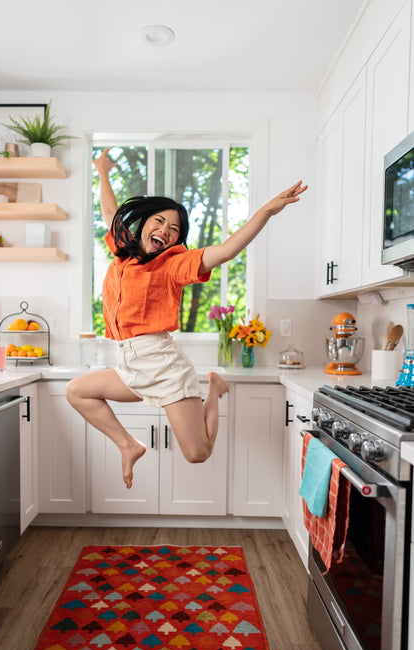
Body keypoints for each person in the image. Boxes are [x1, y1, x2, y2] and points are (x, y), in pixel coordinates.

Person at [66, 148, 307, 489]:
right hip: (127, 363)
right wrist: (102, 172)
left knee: (198, 453)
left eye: (174, 228)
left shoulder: (175, 264)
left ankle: (213, 390)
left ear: (178, 239)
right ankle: (128, 446)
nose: (165, 230)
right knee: (77, 392)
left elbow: (226, 250)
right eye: (159, 221)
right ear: (145, 223)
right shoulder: (123, 251)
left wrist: (267, 210)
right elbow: (110, 211)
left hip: (162, 364)